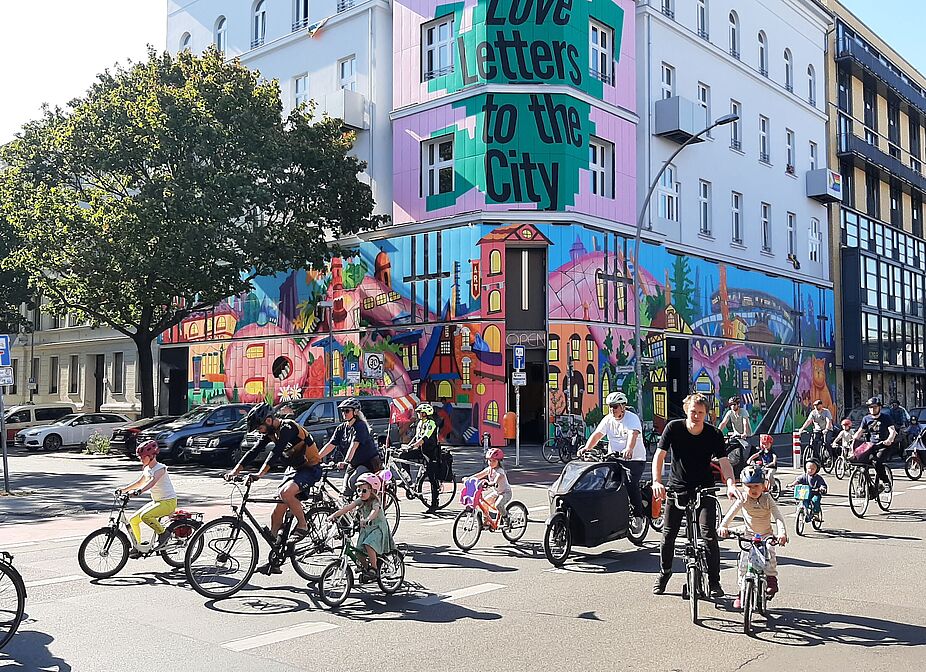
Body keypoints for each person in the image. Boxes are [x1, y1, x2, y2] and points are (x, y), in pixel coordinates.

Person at [651, 393, 744, 598]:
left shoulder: (713, 434)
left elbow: (724, 462)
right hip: (677, 489)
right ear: (686, 410)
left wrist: (730, 484)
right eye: (693, 411)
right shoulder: (673, 428)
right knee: (668, 535)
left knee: (708, 534)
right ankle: (664, 573)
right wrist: (657, 482)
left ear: (706, 414)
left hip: (704, 489)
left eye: (701, 413)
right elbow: (660, 455)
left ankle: (714, 582)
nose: (696, 416)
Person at [226, 402, 327, 574]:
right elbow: (254, 451)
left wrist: (259, 474)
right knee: (277, 512)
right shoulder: (270, 432)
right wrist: (235, 471)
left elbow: (276, 453)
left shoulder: (288, 427)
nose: (259, 431)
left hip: (310, 468)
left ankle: (303, 525)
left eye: (259, 427)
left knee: (285, 493)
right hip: (294, 470)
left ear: (269, 420)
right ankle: (275, 560)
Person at [718, 466, 789, 606]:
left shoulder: (767, 499)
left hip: (765, 535)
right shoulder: (743, 498)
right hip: (749, 534)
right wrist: (723, 526)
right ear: (743, 486)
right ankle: (742, 591)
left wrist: (782, 533)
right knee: (743, 561)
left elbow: (778, 517)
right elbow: (731, 512)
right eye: (749, 486)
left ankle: (771, 579)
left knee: (770, 552)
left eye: (756, 485)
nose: (753, 489)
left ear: (764, 485)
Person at [579, 391, 645, 518]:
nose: (611, 409)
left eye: (615, 406)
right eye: (609, 406)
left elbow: (633, 434)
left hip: (634, 460)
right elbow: (597, 435)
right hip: (614, 458)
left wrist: (629, 449)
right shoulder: (608, 419)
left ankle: (638, 516)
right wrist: (587, 448)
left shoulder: (632, 418)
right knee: (604, 481)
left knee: (630, 484)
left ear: (622, 406)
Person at [328, 472, 396, 582]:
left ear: (373, 491)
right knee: (358, 552)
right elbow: (348, 507)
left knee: (368, 545)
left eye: (364, 490)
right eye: (359, 490)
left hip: (377, 528)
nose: (361, 493)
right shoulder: (360, 501)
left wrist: (368, 519)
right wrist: (334, 515)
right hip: (366, 529)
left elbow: (374, 511)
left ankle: (373, 568)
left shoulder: (375, 502)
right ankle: (366, 569)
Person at [117, 440, 177, 559]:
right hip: (157, 501)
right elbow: (140, 482)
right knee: (133, 519)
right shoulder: (147, 468)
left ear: (151, 456)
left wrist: (140, 491)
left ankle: (163, 533)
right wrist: (124, 489)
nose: (141, 460)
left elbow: (152, 482)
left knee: (145, 516)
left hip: (168, 502)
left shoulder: (160, 468)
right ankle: (137, 546)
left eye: (143, 457)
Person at [321, 398, 383, 496]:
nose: (344, 413)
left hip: (367, 463)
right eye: (342, 411)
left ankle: (363, 504)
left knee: (352, 482)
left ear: (355, 412)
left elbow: (353, 446)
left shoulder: (360, 426)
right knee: (345, 492)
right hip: (353, 463)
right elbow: (330, 445)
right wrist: (316, 457)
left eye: (347, 410)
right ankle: (351, 509)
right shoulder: (341, 428)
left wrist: (345, 462)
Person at [399, 403, 441, 511]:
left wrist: (414, 445)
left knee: (432, 478)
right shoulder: (420, 423)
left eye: (419, 412)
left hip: (431, 452)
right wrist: (407, 447)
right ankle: (407, 480)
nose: (418, 414)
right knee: (402, 456)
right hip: (421, 451)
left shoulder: (431, 423)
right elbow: (416, 438)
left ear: (425, 413)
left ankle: (434, 503)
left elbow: (424, 438)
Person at [853, 396, 897, 493]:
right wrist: (853, 440)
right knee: (861, 462)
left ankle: (886, 482)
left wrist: (889, 440)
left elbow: (892, 431)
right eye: (870, 407)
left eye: (875, 407)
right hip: (870, 446)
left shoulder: (886, 418)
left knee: (877, 462)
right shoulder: (866, 419)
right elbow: (860, 432)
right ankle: (865, 486)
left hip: (883, 446)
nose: (872, 409)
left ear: (879, 407)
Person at [469, 448, 512, 525]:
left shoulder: (500, 471)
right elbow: (479, 475)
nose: (491, 463)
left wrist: (492, 483)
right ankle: (487, 521)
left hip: (506, 493)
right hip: (496, 493)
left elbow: (497, 478)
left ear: (499, 462)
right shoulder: (489, 469)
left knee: (498, 505)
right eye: (489, 460)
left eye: (493, 461)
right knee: (483, 503)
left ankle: (506, 518)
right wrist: (469, 479)